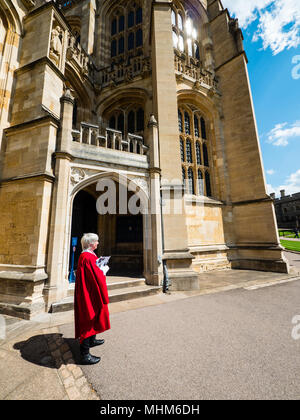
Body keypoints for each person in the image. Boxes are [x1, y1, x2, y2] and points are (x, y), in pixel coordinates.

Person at [74, 233, 110, 365]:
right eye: (96, 241)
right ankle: (85, 355)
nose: (98, 243)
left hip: (89, 292)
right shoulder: (87, 257)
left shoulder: (88, 255)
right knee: (88, 319)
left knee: (94, 317)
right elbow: (97, 277)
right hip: (88, 295)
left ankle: (92, 340)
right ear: (91, 244)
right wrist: (103, 271)